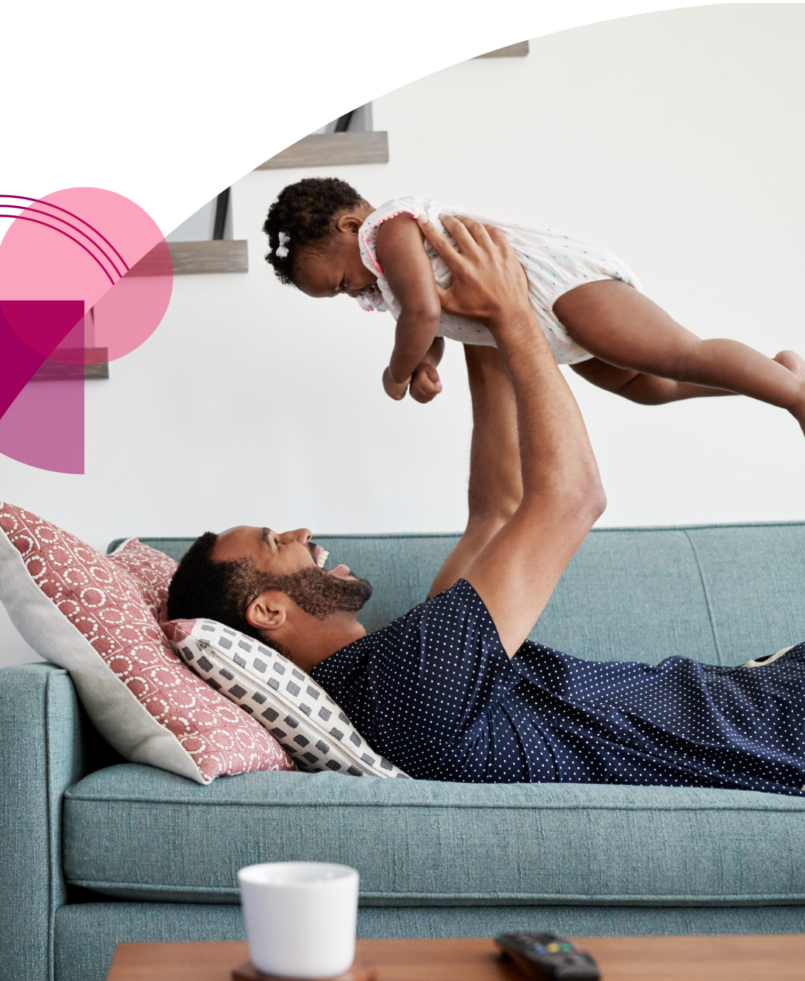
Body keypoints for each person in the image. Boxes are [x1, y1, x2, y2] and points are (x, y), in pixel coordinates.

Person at [167, 213, 804, 797]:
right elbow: (573, 498)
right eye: (276, 541)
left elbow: (496, 511)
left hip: (758, 696)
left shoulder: (395, 675)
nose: (302, 530)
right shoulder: (409, 690)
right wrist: (511, 318)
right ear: (268, 609)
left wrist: (473, 327)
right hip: (775, 726)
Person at [261, 178, 805, 436]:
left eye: (337, 283)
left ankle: (796, 396)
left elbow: (424, 311)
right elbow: (432, 326)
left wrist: (398, 371)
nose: (351, 294)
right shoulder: (384, 281)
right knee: (646, 387)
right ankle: (773, 377)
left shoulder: (388, 230)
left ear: (350, 227)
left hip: (558, 291)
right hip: (539, 326)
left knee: (681, 355)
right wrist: (429, 362)